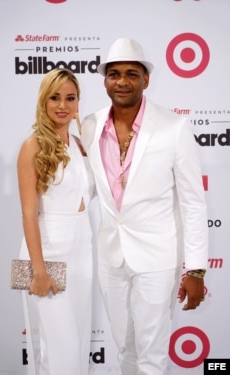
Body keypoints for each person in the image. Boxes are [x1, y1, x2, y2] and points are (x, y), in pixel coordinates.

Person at [81, 38, 208, 375]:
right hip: (111, 257)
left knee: (151, 355)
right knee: (125, 348)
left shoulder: (174, 127)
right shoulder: (89, 126)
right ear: (105, 80)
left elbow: (194, 203)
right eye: (114, 74)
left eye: (131, 74)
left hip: (157, 258)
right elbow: (83, 190)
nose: (122, 81)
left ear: (145, 80)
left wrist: (195, 269)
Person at [17, 68, 95, 375]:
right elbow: (27, 213)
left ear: (78, 103)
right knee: (61, 351)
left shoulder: (81, 145)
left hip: (81, 255)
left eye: (70, 98)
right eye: (55, 97)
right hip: (45, 255)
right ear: (43, 100)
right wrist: (38, 270)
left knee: (75, 349)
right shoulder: (32, 146)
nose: (62, 105)